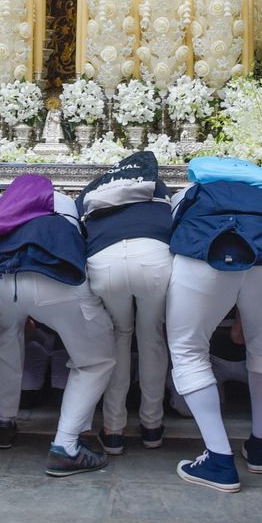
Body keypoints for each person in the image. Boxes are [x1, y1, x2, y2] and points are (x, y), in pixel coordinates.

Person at [165, 156, 262, 493]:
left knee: (188, 347)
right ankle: (260, 448)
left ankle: (218, 457)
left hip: (206, 247)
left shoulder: (192, 191)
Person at [0, 175, 115, 476]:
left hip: (0, 282)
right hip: (55, 281)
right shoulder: (63, 203)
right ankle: (66, 445)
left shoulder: (1, 210)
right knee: (95, 361)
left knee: (6, 335)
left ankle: (3, 423)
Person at [78, 150, 175, 454]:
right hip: (153, 258)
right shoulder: (157, 185)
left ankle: (114, 429)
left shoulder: (95, 186)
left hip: (105, 261)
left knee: (119, 337)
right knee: (151, 338)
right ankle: (152, 426)